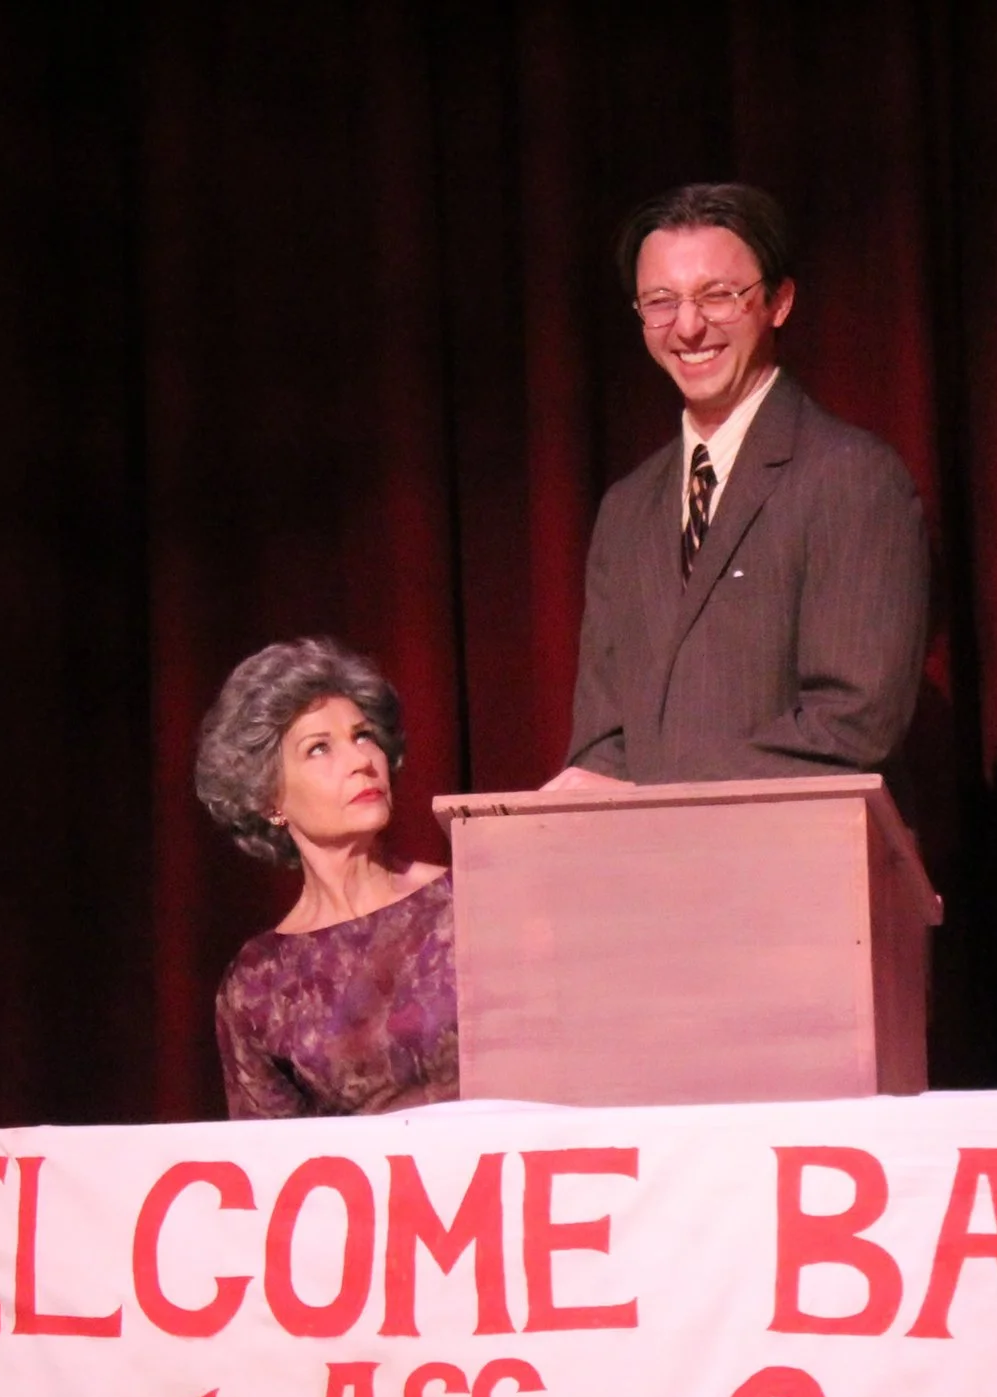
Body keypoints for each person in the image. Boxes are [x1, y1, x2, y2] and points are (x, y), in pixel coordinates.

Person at [547, 182, 931, 790]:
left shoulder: (851, 476)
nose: (689, 327)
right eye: (661, 301)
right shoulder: (626, 507)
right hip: (652, 874)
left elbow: (856, 720)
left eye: (719, 296)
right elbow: (605, 735)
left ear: (778, 302)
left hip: (802, 866)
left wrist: (661, 791)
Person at [193, 638, 456, 1117]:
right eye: (319, 749)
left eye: (363, 736)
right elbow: (271, 1164)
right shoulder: (257, 983)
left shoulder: (466, 902)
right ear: (267, 798)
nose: (361, 761)